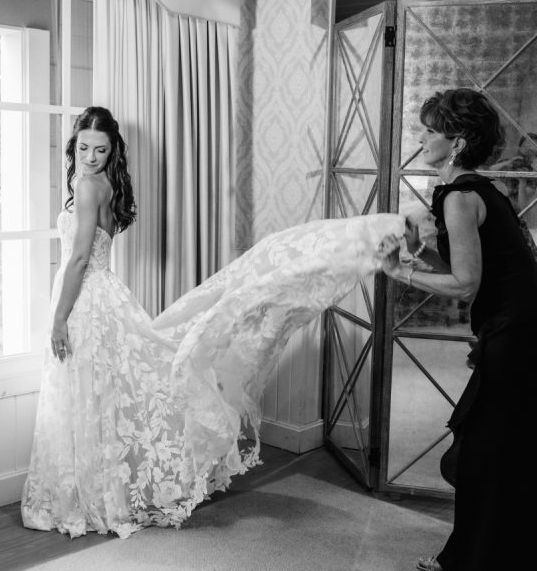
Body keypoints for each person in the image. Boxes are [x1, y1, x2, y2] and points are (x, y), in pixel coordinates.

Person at [22, 106, 405, 538]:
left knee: (91, 391)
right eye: (84, 148)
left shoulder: (86, 184)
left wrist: (59, 319)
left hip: (84, 300)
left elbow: (78, 259)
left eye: (100, 149)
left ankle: (91, 494)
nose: (91, 156)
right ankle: (108, 490)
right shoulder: (108, 184)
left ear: (113, 151)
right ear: (74, 146)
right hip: (103, 293)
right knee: (103, 393)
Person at [378, 88, 537, 571]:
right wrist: (416, 252)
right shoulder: (471, 190)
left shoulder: (460, 196)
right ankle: (465, 556)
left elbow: (467, 284)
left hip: (518, 336)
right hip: (512, 330)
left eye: (431, 131)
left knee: (485, 456)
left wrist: (400, 273)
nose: (422, 138)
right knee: (488, 454)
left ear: (459, 141)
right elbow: (467, 267)